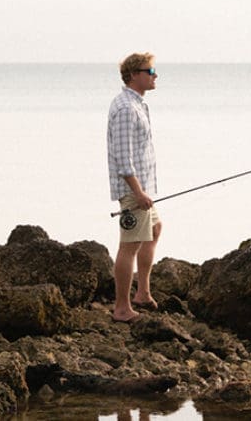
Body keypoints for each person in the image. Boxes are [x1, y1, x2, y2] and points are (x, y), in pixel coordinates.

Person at [107, 52, 161, 323]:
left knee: (154, 229)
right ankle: (121, 308)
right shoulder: (127, 109)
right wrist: (138, 193)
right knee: (129, 245)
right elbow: (123, 159)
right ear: (133, 75)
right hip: (134, 190)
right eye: (149, 71)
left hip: (144, 189)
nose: (155, 76)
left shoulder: (137, 104)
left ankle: (142, 293)